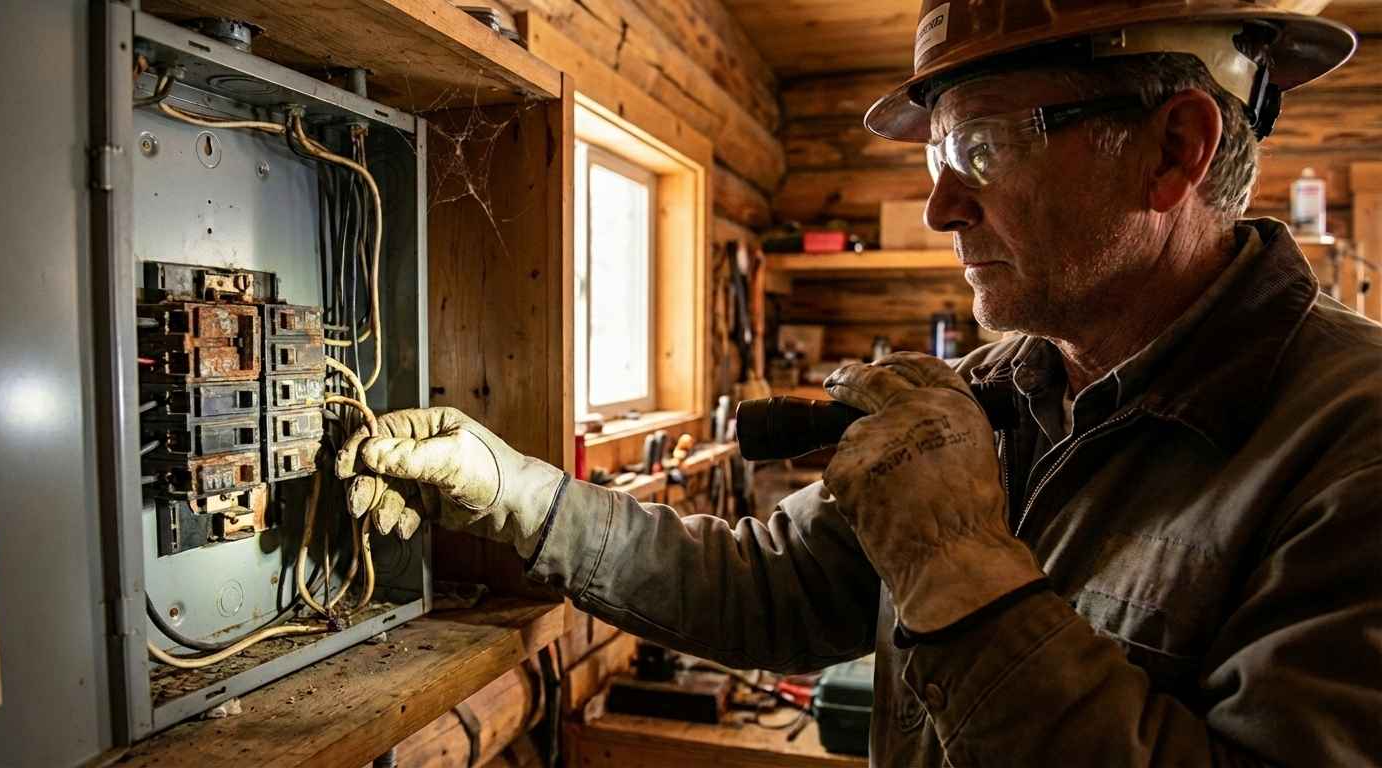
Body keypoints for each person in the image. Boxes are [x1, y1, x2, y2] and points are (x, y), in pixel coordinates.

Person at [338, 2, 1382, 765]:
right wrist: (522, 495)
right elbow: (772, 586)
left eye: (980, 145)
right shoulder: (990, 397)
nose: (939, 208)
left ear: (1173, 149)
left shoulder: (1351, 443)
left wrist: (962, 574)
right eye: (936, 153)